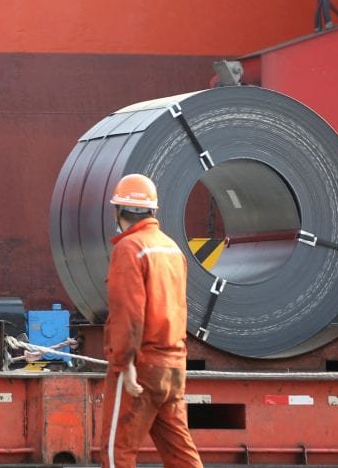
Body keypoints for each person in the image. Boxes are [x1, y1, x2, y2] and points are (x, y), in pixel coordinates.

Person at [100, 173, 202, 468]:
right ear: (153, 211)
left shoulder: (129, 248)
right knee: (180, 453)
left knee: (117, 452)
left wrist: (125, 363)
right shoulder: (172, 249)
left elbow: (128, 313)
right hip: (174, 367)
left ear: (118, 212)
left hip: (142, 365)